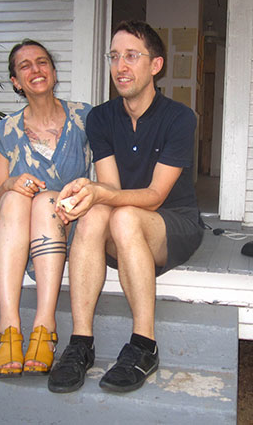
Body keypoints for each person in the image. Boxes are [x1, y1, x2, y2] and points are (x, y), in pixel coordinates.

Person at [47, 20, 204, 394]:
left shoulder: (180, 118)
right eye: (115, 56)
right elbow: (111, 188)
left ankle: (144, 345)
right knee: (98, 212)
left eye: (132, 56)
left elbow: (155, 196)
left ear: (156, 65)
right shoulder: (100, 118)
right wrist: (88, 192)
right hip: (122, 225)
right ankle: (80, 344)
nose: (121, 66)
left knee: (124, 215)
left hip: (171, 225)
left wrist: (102, 195)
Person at [0, 39, 91, 378]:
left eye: (42, 61)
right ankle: (9, 325)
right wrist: (9, 184)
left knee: (48, 198)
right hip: (17, 226)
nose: (36, 69)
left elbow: (105, 179)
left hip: (68, 221)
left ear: (53, 71)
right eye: (25, 66)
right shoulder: (6, 131)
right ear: (16, 81)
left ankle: (45, 324)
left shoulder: (84, 118)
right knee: (15, 196)